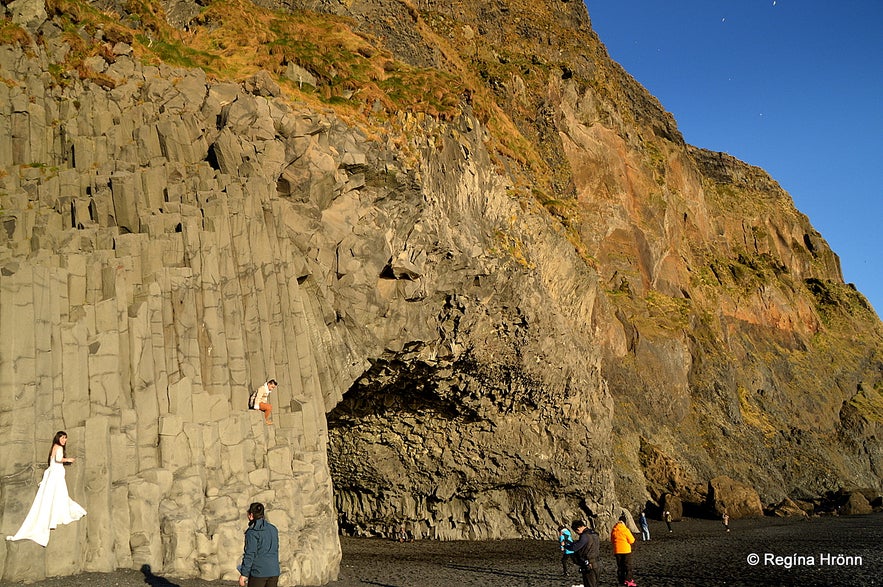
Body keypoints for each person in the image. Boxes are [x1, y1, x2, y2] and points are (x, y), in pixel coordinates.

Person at [6, 431, 87, 547]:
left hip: (55, 475)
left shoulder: (55, 446)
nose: (65, 440)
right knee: (58, 496)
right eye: (63, 438)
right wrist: (68, 459)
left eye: (66, 438)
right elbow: (58, 459)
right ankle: (55, 517)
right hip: (56, 477)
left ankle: (54, 515)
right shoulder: (58, 447)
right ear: (58, 438)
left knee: (56, 496)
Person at [238, 502, 280, 587]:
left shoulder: (252, 532)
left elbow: (250, 554)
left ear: (251, 515)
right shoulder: (273, 529)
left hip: (259, 573)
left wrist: (244, 574)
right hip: (274, 571)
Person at [569, 519, 600, 587]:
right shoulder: (594, 533)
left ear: (578, 529)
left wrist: (567, 546)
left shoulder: (585, 536)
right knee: (595, 584)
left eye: (576, 532)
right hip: (596, 562)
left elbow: (575, 547)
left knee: (589, 584)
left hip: (588, 563)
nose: (577, 533)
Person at [611, 514, 637, 586]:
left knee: (620, 566)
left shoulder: (614, 529)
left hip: (617, 550)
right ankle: (628, 580)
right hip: (626, 550)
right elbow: (632, 540)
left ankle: (621, 580)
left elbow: (612, 540)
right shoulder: (625, 530)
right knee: (627, 566)